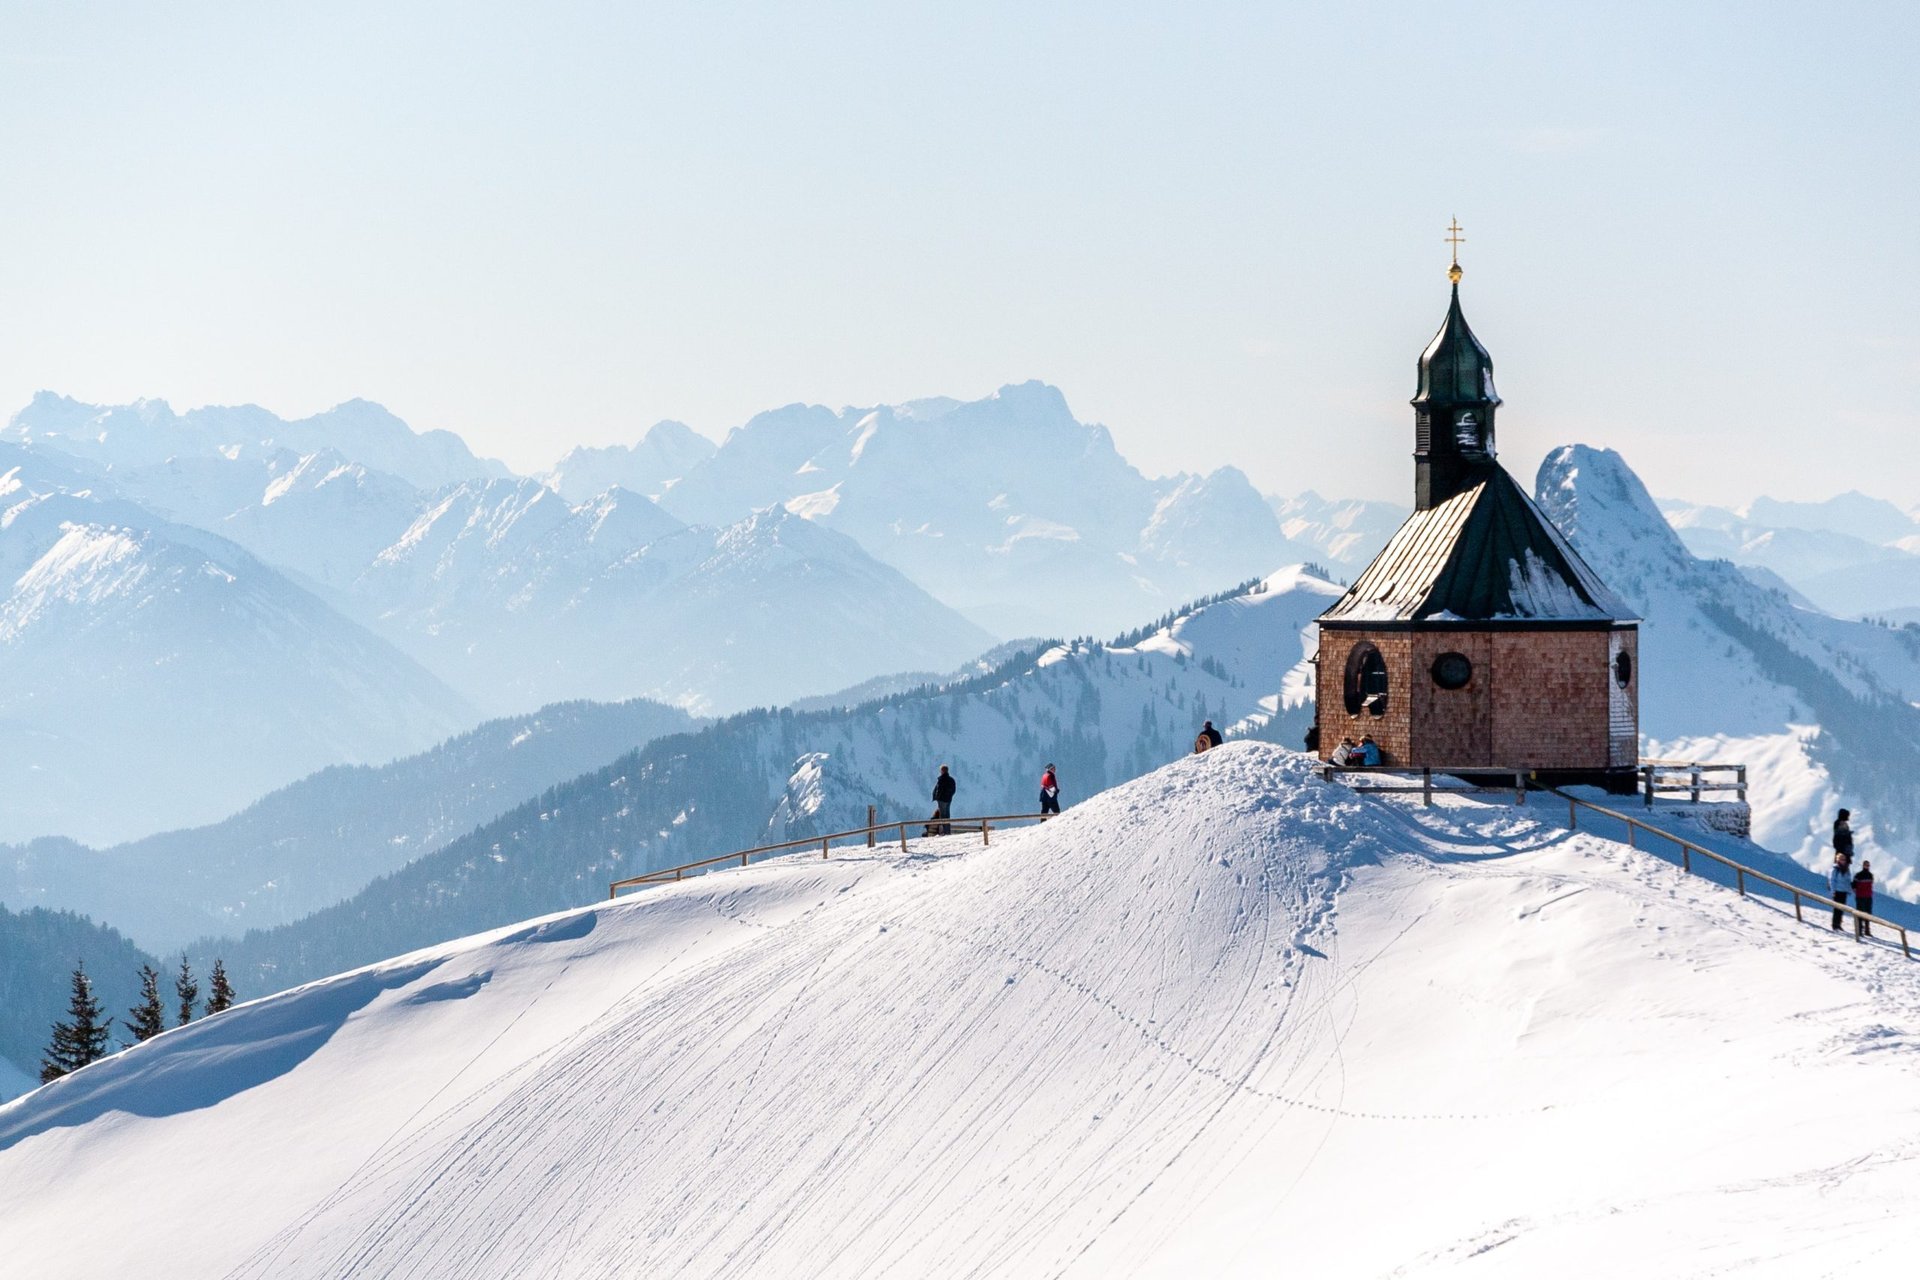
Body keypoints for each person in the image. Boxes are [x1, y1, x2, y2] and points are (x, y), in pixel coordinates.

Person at [1828, 854, 1853, 931]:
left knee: (1842, 908)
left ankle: (1839, 924)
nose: (1843, 861)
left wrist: (1849, 890)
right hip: (1837, 891)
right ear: (1838, 860)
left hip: (1844, 892)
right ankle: (1834, 924)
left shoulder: (1847, 869)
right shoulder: (1835, 869)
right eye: (1841, 859)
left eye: (1844, 859)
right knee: (1836, 908)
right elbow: (1832, 880)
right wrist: (1833, 891)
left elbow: (1848, 881)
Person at [931, 764, 957, 835]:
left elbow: (938, 790)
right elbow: (953, 790)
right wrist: (949, 796)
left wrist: (937, 797)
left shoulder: (941, 779)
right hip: (948, 799)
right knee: (947, 815)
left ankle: (943, 831)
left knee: (942, 815)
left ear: (942, 771)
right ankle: (948, 831)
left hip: (942, 800)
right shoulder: (951, 780)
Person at [1852, 860, 1875, 938]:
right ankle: (1859, 930)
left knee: (1868, 914)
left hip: (1868, 897)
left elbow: (1871, 885)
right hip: (1860, 897)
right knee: (1860, 914)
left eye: (1868, 865)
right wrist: (1857, 892)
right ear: (1863, 865)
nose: (1867, 866)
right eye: (1866, 865)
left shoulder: (1870, 875)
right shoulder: (1858, 875)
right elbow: (1853, 885)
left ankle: (1867, 930)